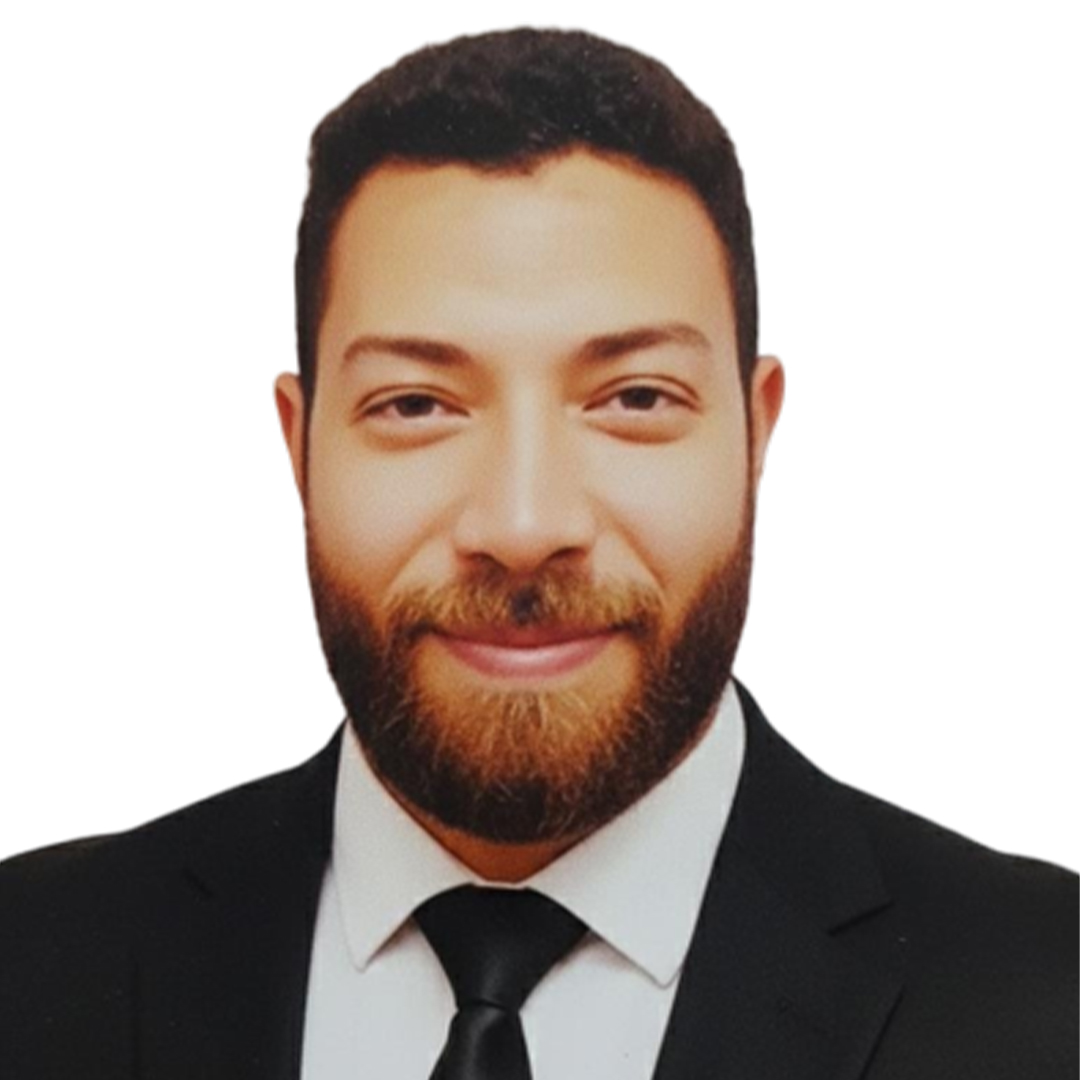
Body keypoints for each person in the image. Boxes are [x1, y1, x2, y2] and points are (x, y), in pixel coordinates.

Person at [1, 27, 1075, 1080]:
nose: (522, 526)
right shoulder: (31, 960)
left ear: (756, 436)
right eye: (416, 404)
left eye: (635, 398)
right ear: (300, 444)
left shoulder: (1051, 995)